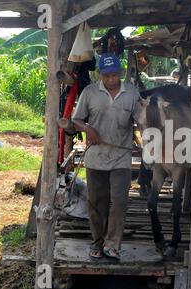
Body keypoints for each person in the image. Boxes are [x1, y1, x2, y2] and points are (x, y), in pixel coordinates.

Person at [72, 53, 141, 260]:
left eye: (114, 75)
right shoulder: (90, 92)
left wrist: (143, 140)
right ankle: (97, 242)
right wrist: (87, 129)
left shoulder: (131, 93)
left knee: (119, 202)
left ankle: (112, 245)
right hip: (96, 158)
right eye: (106, 75)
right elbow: (76, 119)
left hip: (121, 158)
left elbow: (140, 119)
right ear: (99, 75)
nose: (110, 79)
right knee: (96, 203)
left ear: (119, 73)